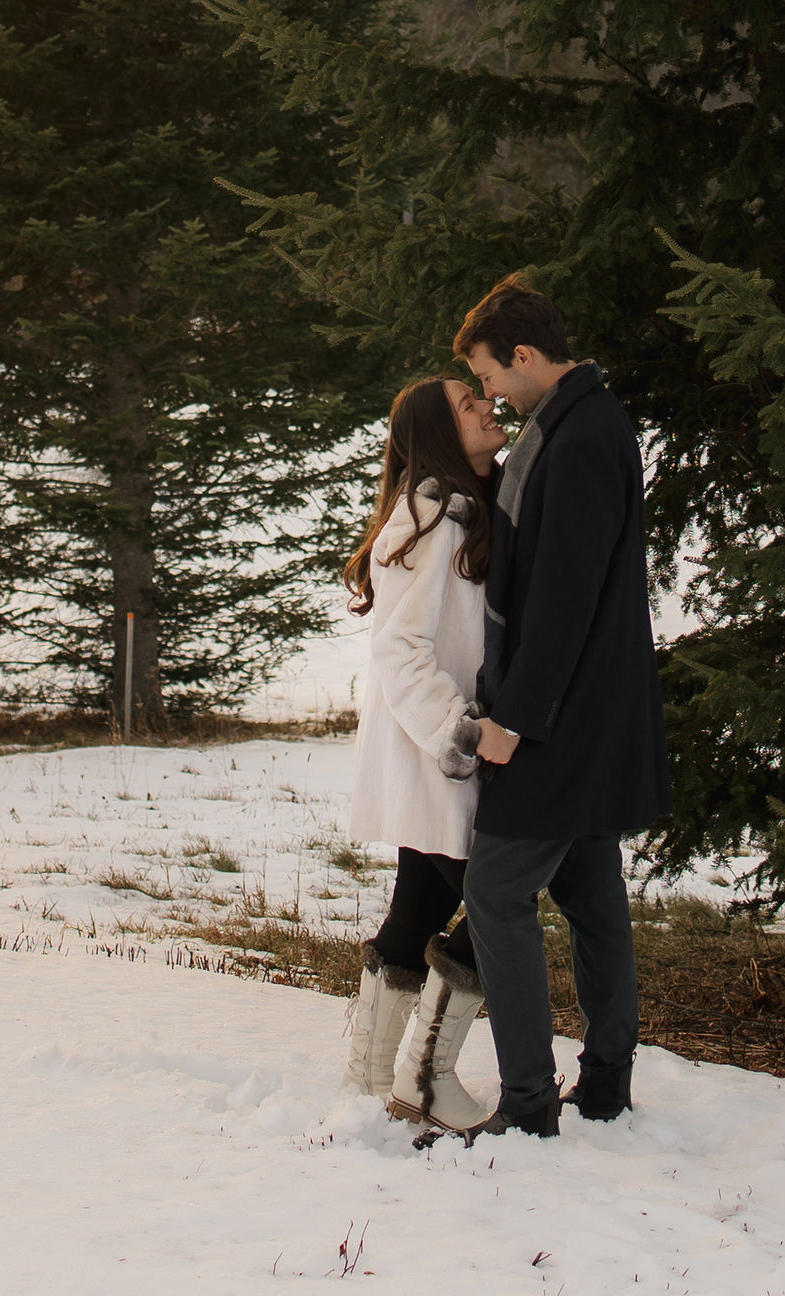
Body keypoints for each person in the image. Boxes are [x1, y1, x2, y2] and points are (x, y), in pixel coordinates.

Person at [456, 275, 669, 1137]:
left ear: (528, 355)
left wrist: (516, 719)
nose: (492, 395)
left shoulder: (579, 438)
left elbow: (564, 600)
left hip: (563, 717)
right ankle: (609, 1081)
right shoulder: (579, 423)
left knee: (497, 890)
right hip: (588, 710)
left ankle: (529, 1102)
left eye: (493, 376)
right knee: (589, 890)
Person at [336, 375, 506, 1130]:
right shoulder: (430, 512)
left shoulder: (461, 506)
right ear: (439, 429)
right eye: (469, 404)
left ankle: (371, 1075)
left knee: (424, 898)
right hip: (436, 750)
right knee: (499, 895)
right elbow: (400, 648)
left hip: (443, 750)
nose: (486, 406)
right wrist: (461, 733)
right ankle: (423, 1078)